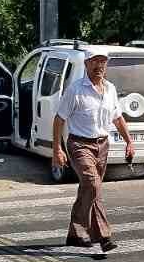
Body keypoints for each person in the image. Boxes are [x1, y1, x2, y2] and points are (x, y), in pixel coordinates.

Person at [52, 47, 135, 251]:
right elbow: (59, 119)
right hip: (80, 144)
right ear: (86, 64)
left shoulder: (111, 89)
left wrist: (129, 141)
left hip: (102, 145)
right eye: (95, 61)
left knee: (90, 188)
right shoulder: (75, 89)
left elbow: (117, 118)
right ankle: (103, 236)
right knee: (93, 184)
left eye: (103, 62)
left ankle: (75, 234)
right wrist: (57, 150)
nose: (99, 66)